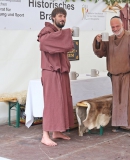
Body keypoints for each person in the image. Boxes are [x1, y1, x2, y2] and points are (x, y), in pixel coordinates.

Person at [92, 16, 130, 137]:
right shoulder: (110, 39)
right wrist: (98, 41)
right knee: (118, 103)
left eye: (117, 26)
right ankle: (121, 125)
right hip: (115, 76)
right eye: (113, 27)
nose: (115, 29)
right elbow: (100, 53)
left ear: (122, 25)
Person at [37, 7, 75, 146]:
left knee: (62, 101)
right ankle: (45, 135)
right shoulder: (46, 31)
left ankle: (57, 131)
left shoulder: (58, 33)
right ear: (53, 17)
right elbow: (44, 43)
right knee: (51, 102)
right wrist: (65, 34)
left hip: (61, 72)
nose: (62, 19)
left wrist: (63, 34)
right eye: (60, 16)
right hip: (51, 72)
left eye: (64, 16)